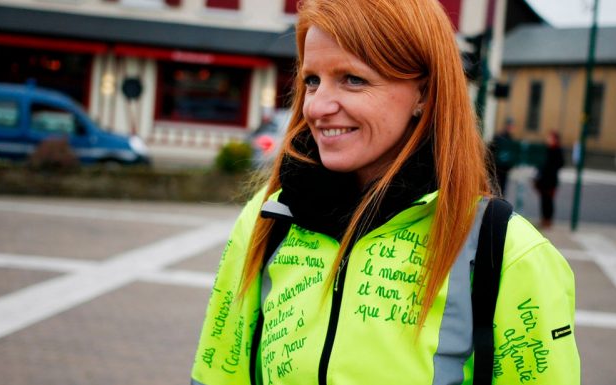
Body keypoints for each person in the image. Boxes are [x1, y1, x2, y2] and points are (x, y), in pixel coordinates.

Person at [191, 1, 579, 384]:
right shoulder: (267, 216)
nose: (318, 105)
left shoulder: (509, 251)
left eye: (353, 79)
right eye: (312, 79)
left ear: (424, 93)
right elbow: (217, 374)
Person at [534, 131, 564, 229]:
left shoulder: (557, 150)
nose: (549, 140)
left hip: (551, 181)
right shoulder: (545, 149)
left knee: (549, 201)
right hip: (543, 180)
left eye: (551, 138)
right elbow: (540, 164)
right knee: (543, 201)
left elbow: (560, 164)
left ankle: (548, 220)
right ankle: (543, 219)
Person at [489, 119, 517, 198]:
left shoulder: (511, 139)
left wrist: (510, 165)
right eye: (510, 126)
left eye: (512, 127)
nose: (511, 128)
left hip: (505, 170)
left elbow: (512, 154)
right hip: (497, 169)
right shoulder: (499, 137)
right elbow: (490, 150)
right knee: (495, 189)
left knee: (502, 190)